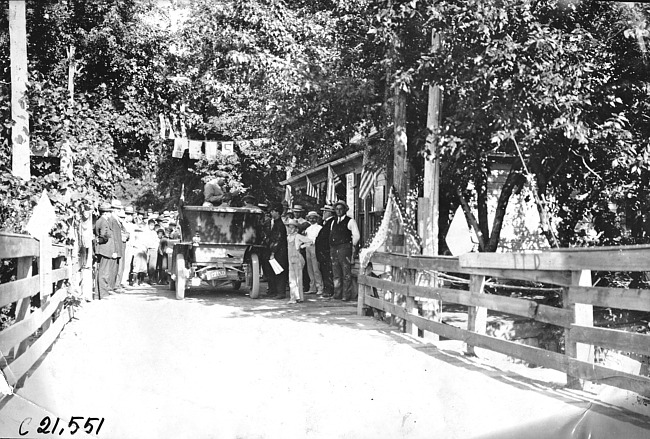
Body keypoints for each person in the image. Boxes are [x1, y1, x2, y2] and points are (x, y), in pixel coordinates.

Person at [329, 200, 360, 301]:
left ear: (345, 210)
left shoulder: (350, 221)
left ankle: (346, 295)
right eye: (336, 209)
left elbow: (356, 236)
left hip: (344, 248)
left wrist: (350, 246)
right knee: (336, 272)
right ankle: (337, 293)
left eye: (340, 209)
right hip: (334, 248)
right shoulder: (334, 221)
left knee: (346, 273)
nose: (338, 211)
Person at [262, 203, 289, 299]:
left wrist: (273, 252)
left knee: (279, 272)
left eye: (273, 211)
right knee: (272, 271)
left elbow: (278, 239)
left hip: (278, 252)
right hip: (274, 251)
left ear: (277, 212)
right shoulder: (275, 223)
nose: (271, 213)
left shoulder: (280, 225)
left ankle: (280, 292)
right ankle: (273, 291)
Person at [94, 202, 119, 298]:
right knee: (104, 272)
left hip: (103, 249)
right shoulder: (103, 221)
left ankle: (98, 294)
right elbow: (103, 235)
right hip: (105, 249)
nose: (110, 214)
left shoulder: (99, 221)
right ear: (105, 213)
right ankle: (103, 294)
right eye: (109, 212)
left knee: (101, 271)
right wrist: (106, 237)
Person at [285, 219, 313, 304]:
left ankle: (297, 297)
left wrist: (301, 246)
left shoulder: (298, 236)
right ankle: (294, 297)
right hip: (290, 259)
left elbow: (310, 241)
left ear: (296, 229)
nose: (290, 229)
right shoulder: (288, 237)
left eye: (292, 227)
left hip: (297, 258)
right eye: (289, 227)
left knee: (298, 278)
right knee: (292, 279)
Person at [315, 204, 335, 297]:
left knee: (327, 271)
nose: (323, 213)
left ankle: (329, 290)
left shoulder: (331, 222)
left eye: (325, 211)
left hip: (326, 252)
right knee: (324, 271)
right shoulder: (325, 223)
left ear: (330, 213)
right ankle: (327, 289)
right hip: (322, 252)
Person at [304, 211, 323, 294]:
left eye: (313, 218)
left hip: (315, 247)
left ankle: (320, 287)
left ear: (317, 219)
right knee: (310, 268)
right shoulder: (307, 229)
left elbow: (319, 239)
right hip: (307, 247)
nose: (312, 219)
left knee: (316, 268)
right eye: (310, 218)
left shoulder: (319, 228)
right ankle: (312, 287)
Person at [110, 200, 126, 293]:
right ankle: (113, 286)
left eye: (119, 209)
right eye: (116, 209)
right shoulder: (113, 220)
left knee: (119, 267)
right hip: (116, 246)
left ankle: (116, 285)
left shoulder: (117, 220)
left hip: (120, 245)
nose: (118, 210)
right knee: (114, 267)